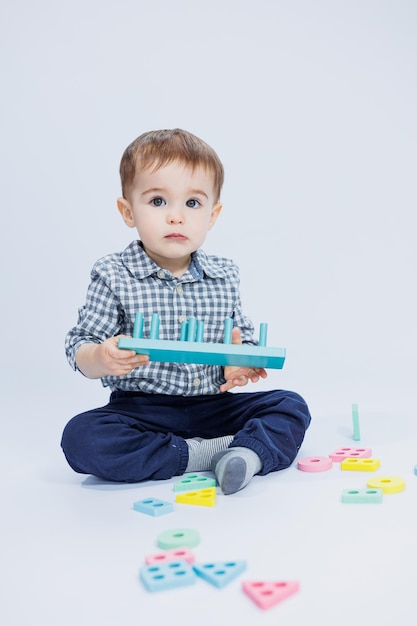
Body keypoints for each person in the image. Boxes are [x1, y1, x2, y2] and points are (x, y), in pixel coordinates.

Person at [61, 128, 311, 495]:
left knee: (290, 406)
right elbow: (79, 346)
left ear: (213, 215)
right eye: (158, 201)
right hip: (142, 411)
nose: (176, 217)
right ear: (127, 211)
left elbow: (243, 340)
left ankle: (244, 455)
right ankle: (207, 454)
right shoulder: (113, 273)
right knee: (82, 438)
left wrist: (240, 364)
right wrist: (100, 356)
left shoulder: (224, 275)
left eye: (192, 203)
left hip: (215, 407)